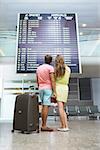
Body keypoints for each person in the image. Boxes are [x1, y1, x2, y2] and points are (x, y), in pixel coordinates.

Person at [36, 55, 56, 132]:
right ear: (50, 61)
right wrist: (54, 91)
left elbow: (37, 80)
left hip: (41, 88)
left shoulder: (39, 68)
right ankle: (44, 126)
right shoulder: (50, 68)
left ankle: (43, 124)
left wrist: (40, 87)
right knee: (45, 106)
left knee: (43, 106)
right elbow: (52, 80)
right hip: (48, 89)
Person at [54, 55, 71, 132]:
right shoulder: (68, 69)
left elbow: (54, 80)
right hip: (65, 88)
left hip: (58, 88)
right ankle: (65, 125)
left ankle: (64, 126)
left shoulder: (56, 69)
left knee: (60, 108)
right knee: (62, 108)